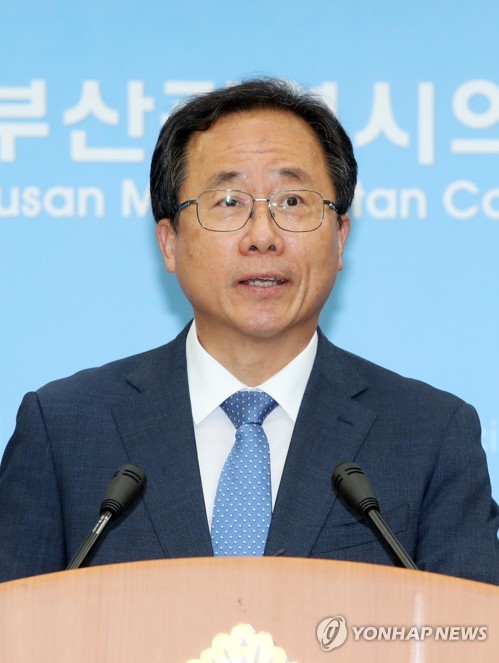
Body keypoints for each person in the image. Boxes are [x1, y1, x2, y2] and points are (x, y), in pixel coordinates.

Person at [0, 78, 498, 584]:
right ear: (169, 243)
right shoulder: (64, 430)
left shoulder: (430, 435)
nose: (263, 236)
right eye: (229, 202)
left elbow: (470, 624)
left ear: (340, 238)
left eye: (293, 201)